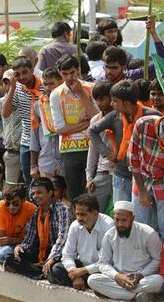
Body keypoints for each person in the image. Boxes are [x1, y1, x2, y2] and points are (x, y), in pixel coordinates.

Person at [88, 81, 160, 204]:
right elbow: (92, 131)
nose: (111, 104)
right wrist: (105, 152)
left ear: (126, 103)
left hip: (145, 178)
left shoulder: (152, 116)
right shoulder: (115, 115)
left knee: (140, 218)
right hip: (121, 174)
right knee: (121, 215)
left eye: (115, 101)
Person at [87, 201, 164, 302]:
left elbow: (158, 259)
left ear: (132, 218)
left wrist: (140, 275)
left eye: (124, 220)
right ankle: (136, 296)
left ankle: (115, 293)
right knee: (92, 280)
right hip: (118, 278)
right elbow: (103, 263)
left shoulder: (148, 233)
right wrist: (117, 276)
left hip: (141, 279)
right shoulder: (110, 235)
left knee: (158, 281)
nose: (120, 224)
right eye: (117, 220)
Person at [49, 54, 98, 199]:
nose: (69, 77)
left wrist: (81, 93)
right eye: (65, 74)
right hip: (69, 149)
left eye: (72, 73)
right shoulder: (56, 94)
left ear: (78, 70)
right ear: (60, 73)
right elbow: (60, 129)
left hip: (92, 146)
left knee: (93, 193)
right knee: (75, 195)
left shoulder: (91, 88)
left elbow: (99, 118)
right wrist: (88, 123)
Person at [3, 178, 72, 279]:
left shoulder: (62, 209)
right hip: (42, 251)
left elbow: (63, 238)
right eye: (34, 193)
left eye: (39, 192)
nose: (35, 196)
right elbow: (29, 238)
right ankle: (41, 272)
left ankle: (41, 270)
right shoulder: (37, 212)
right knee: (10, 258)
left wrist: (51, 259)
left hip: (59, 252)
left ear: (50, 192)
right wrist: (20, 247)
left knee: (56, 267)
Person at [49, 194, 114, 289]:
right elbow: (67, 255)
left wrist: (82, 271)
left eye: (83, 215)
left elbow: (108, 261)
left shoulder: (108, 226)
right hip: (81, 268)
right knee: (57, 269)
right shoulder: (75, 225)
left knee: (102, 277)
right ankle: (86, 284)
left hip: (102, 270)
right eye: (77, 214)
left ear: (95, 213)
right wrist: (75, 274)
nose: (79, 218)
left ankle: (91, 284)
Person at [2, 56, 44, 186]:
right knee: (30, 182)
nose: (22, 77)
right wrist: (12, 88)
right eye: (18, 74)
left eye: (24, 72)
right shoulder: (18, 88)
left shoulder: (44, 87)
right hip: (26, 142)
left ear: (32, 70)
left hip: (44, 141)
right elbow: (5, 112)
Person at [99, 17, 164, 84]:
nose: (109, 71)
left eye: (114, 68)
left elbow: (162, 63)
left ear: (124, 68)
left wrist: (153, 33)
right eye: (107, 67)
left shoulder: (132, 77)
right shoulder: (99, 83)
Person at [0, 184, 37, 263]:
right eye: (7, 203)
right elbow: (2, 241)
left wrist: (15, 241)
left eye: (15, 204)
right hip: (4, 247)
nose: (11, 207)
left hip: (23, 244)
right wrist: (19, 241)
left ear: (23, 200)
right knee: (3, 253)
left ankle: (16, 262)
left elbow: (33, 237)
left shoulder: (31, 209)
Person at [85, 82, 114, 212]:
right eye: (96, 100)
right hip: (103, 173)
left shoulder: (122, 117)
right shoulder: (95, 120)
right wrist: (89, 178)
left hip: (121, 172)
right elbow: (93, 150)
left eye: (102, 99)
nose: (99, 103)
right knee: (96, 212)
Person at [29, 68, 62, 180]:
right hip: (46, 161)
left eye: (51, 84)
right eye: (45, 84)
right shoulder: (38, 105)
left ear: (61, 82)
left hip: (66, 160)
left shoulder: (69, 102)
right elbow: (34, 135)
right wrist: (33, 165)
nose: (48, 88)